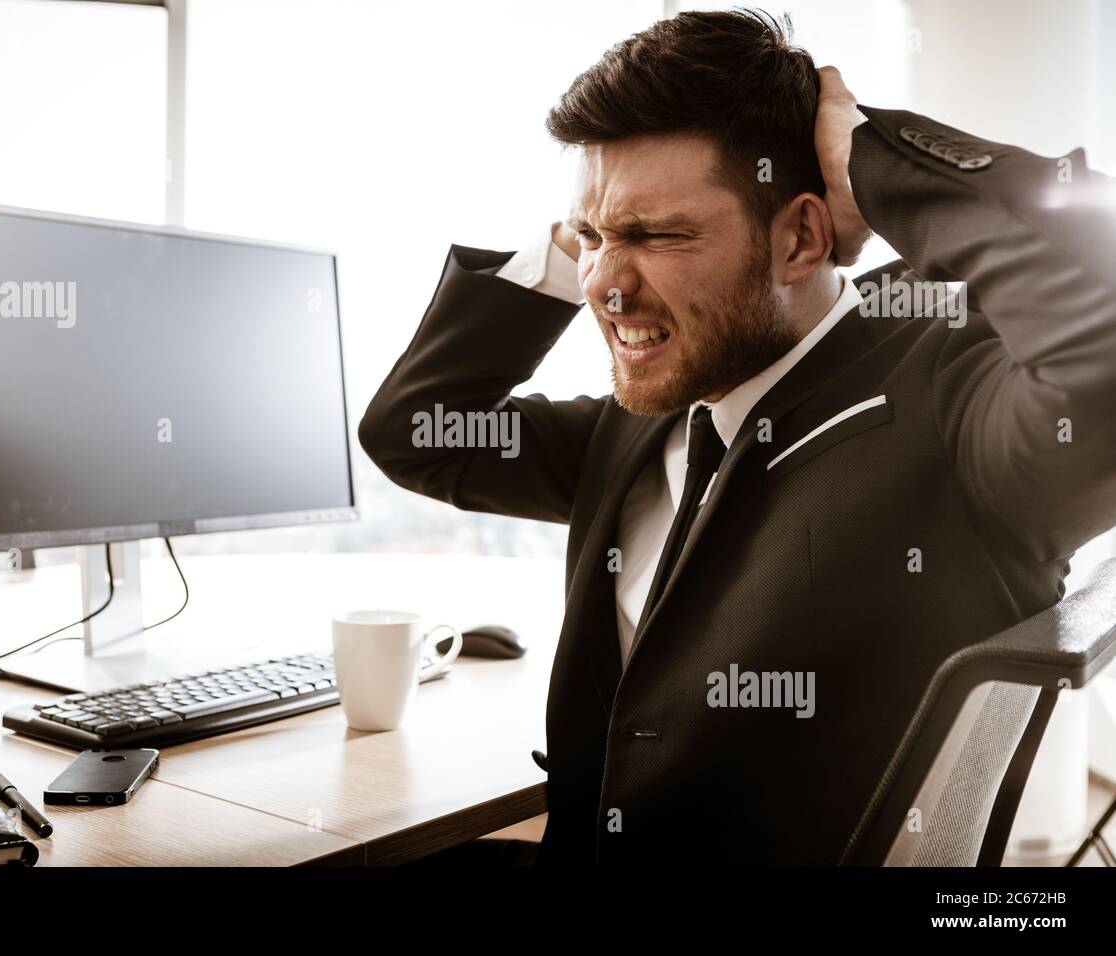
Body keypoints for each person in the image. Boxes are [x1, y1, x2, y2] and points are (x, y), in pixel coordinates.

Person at [362, 9, 1116, 865]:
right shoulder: (652, 413)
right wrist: (586, 232)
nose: (604, 283)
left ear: (800, 235)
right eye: (594, 237)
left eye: (657, 234)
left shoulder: (954, 404)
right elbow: (417, 434)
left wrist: (876, 160)